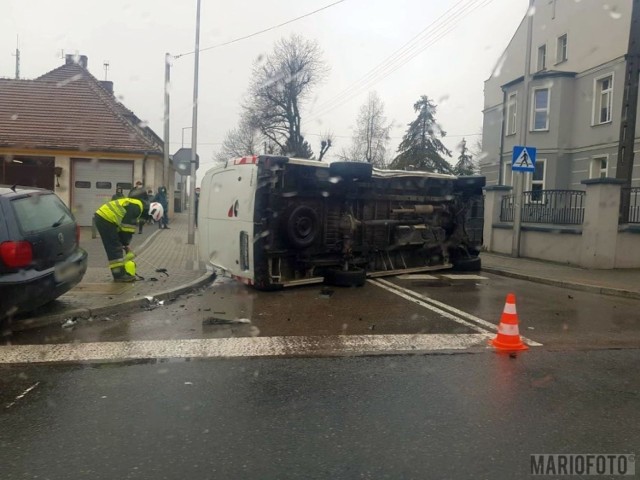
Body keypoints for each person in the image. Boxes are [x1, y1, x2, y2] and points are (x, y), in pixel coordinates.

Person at [94, 189, 163, 282]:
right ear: (151, 211)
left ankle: (121, 273)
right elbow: (127, 229)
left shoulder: (138, 205)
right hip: (106, 218)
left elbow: (123, 228)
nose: (146, 220)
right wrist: (126, 244)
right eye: (149, 218)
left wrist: (124, 244)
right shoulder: (137, 207)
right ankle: (119, 276)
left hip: (107, 219)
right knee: (114, 248)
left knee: (115, 246)